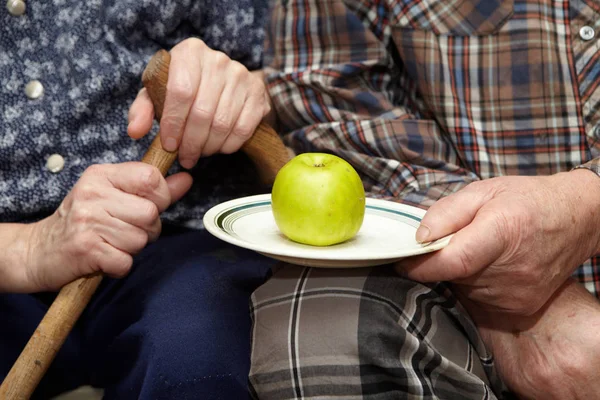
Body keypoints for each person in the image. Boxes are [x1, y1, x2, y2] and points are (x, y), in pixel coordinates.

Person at [244, 1, 600, 399]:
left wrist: (587, 206)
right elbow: (337, 105)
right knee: (322, 319)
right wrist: (511, 282)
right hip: (470, 305)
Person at [0, 1, 278, 399]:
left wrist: (242, 91)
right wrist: (26, 249)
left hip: (181, 240)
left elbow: (294, 83)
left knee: (195, 369)